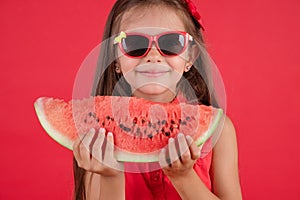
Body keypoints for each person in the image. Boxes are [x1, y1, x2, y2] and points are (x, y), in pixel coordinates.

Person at [72, 0, 242, 199]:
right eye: (134, 43)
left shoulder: (219, 132)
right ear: (115, 58)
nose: (153, 56)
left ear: (190, 57)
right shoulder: (99, 130)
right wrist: (111, 175)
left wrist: (184, 177)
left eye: (171, 43)